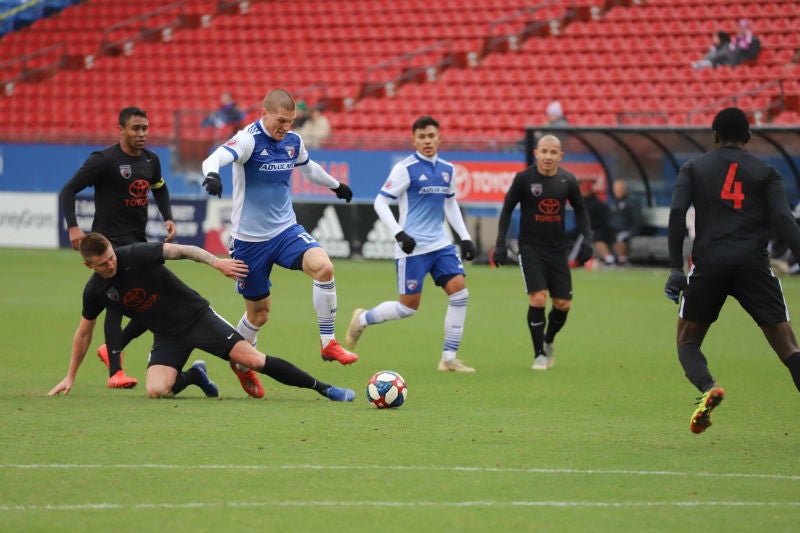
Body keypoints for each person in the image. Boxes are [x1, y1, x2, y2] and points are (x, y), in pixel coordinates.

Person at [47, 233, 355, 403]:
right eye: (103, 264)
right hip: (166, 336)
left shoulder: (135, 254)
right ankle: (196, 376)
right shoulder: (95, 290)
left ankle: (324, 388)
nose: (111, 265)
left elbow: (184, 250)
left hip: (197, 317)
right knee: (156, 390)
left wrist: (217, 263)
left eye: (112, 257)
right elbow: (84, 333)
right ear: (90, 266)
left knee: (254, 361)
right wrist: (71, 376)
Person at [664, 107, 800, 434]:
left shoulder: (694, 168)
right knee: (788, 347)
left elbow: (678, 212)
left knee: (688, 342)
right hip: (753, 264)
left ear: (714, 136)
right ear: (749, 137)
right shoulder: (767, 172)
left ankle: (709, 387)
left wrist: (675, 268)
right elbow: (783, 221)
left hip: (708, 264)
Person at [200, 88, 357, 366]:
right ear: (264, 114)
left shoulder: (293, 141)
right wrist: (212, 175)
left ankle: (328, 343)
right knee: (259, 314)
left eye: (291, 121)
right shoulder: (248, 140)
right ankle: (240, 361)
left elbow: (308, 169)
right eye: (281, 121)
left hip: (286, 231)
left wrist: (336, 185)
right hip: (249, 242)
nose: (286, 127)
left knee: (324, 267)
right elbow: (213, 158)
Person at [344, 115, 477, 372]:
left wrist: (465, 236)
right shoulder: (406, 168)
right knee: (408, 308)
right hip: (413, 248)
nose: (427, 141)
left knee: (460, 293)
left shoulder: (447, 170)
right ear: (413, 140)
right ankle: (361, 318)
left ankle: (448, 358)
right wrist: (398, 233)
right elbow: (380, 202)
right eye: (422, 137)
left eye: (431, 136)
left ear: (440, 138)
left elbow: (450, 203)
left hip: (440, 245)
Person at [59, 106, 177, 389]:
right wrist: (73, 227)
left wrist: (168, 216)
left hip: (138, 241)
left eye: (145, 128)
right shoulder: (104, 160)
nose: (142, 134)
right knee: (116, 304)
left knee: (157, 300)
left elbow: (159, 187)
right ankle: (116, 372)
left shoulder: (151, 160)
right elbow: (68, 190)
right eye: (136, 129)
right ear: (121, 129)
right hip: (110, 245)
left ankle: (114, 347)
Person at [492, 134, 593, 370]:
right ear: (536, 153)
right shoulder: (524, 179)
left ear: (560, 156)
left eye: (553, 152)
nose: (548, 156)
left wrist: (587, 239)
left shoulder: (568, 181)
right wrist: (500, 243)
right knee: (538, 298)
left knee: (563, 304)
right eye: (544, 152)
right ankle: (538, 354)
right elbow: (507, 209)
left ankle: (548, 340)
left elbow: (581, 210)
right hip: (530, 248)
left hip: (558, 250)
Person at [609, 180, 643, 267]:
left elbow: (637, 219)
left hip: (628, 230)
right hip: (614, 230)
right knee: (601, 236)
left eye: (620, 188)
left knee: (620, 236)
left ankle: (622, 261)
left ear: (625, 189)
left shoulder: (632, 202)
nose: (618, 191)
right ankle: (609, 260)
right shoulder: (613, 202)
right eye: (616, 189)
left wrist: (632, 230)